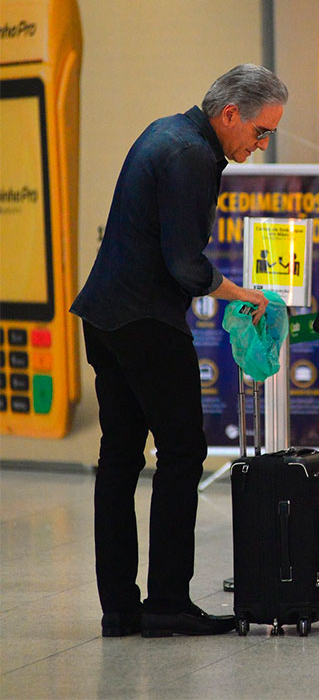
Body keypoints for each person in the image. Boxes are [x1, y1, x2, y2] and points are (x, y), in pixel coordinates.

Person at [70, 64, 288, 638]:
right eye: (261, 132)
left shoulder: (166, 131)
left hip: (105, 316)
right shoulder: (191, 155)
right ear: (230, 114)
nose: (260, 145)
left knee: (119, 457)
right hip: (146, 320)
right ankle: (167, 601)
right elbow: (184, 266)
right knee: (183, 451)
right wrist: (242, 293)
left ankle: (119, 606)